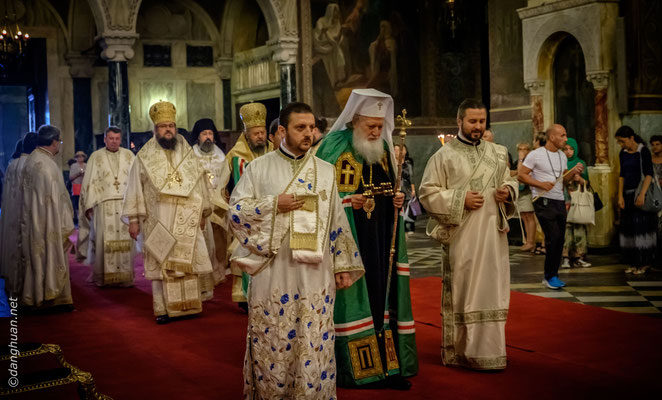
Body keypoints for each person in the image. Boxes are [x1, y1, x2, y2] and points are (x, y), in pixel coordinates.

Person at [229, 101, 364, 399]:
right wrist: (275, 205)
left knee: (313, 340)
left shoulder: (326, 171)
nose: (308, 133)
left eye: (311, 128)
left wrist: (342, 265)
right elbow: (236, 212)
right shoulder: (258, 168)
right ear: (281, 131)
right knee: (273, 340)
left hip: (316, 274)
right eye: (300, 127)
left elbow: (336, 221)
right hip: (274, 271)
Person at [316, 88, 418, 389]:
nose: (376, 131)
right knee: (357, 298)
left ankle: (388, 364)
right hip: (350, 238)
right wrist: (348, 201)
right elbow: (321, 195)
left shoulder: (385, 149)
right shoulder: (334, 145)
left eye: (379, 125)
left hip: (382, 236)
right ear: (354, 121)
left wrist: (397, 198)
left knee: (382, 296)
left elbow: (388, 188)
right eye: (370, 126)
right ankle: (357, 369)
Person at [419, 98, 518, 371]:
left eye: (482, 121)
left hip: (493, 237)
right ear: (459, 121)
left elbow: (510, 180)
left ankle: (493, 351)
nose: (477, 126)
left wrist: (508, 192)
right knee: (466, 292)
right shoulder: (443, 156)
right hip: (462, 238)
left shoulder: (498, 153)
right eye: (472, 121)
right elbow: (427, 193)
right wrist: (460, 199)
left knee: (492, 291)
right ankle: (462, 351)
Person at [122, 101, 213, 324]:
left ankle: (190, 306)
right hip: (158, 218)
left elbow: (200, 185)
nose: (168, 130)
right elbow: (134, 188)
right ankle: (163, 309)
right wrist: (134, 220)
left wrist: (203, 213)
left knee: (188, 263)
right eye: (163, 126)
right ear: (155, 130)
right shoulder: (144, 156)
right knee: (162, 264)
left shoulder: (188, 153)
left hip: (187, 218)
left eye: (171, 125)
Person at [519, 124, 585, 289]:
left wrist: (574, 171)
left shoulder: (562, 156)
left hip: (559, 200)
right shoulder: (535, 155)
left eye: (565, 135)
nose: (565, 139)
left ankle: (553, 275)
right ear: (552, 137)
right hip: (542, 200)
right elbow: (521, 175)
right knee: (553, 237)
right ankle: (549, 276)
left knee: (560, 238)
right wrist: (540, 184)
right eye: (562, 135)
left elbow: (564, 180)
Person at [21, 125, 75, 310]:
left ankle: (37, 293)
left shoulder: (33, 159)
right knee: (48, 257)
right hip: (48, 222)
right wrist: (65, 222)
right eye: (59, 141)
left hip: (34, 220)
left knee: (36, 259)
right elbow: (56, 199)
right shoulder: (47, 165)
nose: (59, 144)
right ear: (54, 142)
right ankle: (51, 295)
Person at [226, 102, 273, 308]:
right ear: (246, 134)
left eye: (262, 132)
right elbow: (228, 186)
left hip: (270, 211)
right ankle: (245, 296)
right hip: (247, 214)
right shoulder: (236, 156)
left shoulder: (274, 152)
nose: (260, 137)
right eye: (256, 133)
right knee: (247, 250)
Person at [80, 126, 136, 287]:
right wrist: (89, 204)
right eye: (111, 138)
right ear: (105, 139)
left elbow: (135, 180)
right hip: (104, 205)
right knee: (104, 241)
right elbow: (89, 183)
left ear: (121, 139)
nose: (114, 141)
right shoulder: (95, 157)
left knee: (126, 241)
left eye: (117, 139)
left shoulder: (129, 155)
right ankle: (105, 277)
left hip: (125, 204)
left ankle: (125, 277)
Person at [191, 118, 232, 299]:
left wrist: (221, 199)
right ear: (198, 137)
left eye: (210, 134)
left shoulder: (221, 156)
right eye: (204, 134)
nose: (208, 137)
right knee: (204, 243)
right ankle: (204, 278)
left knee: (219, 240)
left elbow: (225, 180)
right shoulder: (191, 155)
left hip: (218, 204)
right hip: (200, 206)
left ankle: (218, 273)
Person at [0, 133, 37, 298]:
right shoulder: (32, 165)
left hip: (12, 213)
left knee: (15, 249)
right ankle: (28, 286)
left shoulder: (12, 164)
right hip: (27, 214)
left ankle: (14, 282)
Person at [616, 126, 657, 275]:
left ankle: (644, 262)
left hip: (640, 193)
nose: (622, 144)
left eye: (623, 141)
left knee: (642, 228)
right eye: (619, 142)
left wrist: (642, 194)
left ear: (631, 138)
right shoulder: (623, 153)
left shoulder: (643, 151)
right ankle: (633, 262)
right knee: (629, 229)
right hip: (627, 194)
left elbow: (648, 174)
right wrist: (620, 195)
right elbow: (622, 175)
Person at [561, 138, 591, 269]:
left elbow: (587, 183)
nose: (568, 152)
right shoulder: (561, 162)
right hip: (564, 199)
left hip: (578, 200)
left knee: (579, 227)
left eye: (571, 149)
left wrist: (580, 179)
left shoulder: (580, 163)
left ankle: (579, 256)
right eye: (565, 149)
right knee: (566, 228)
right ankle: (566, 257)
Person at [515, 142, 537, 252]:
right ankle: (527, 240)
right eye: (520, 149)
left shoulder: (529, 161)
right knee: (524, 216)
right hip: (520, 193)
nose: (522, 151)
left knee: (529, 216)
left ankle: (531, 242)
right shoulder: (518, 161)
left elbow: (520, 174)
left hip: (528, 191)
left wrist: (521, 159)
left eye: (525, 149)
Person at [394, 143, 416, 234]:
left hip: (406, 187)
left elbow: (411, 178)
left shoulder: (408, 163)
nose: (398, 152)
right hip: (396, 187)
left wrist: (413, 190)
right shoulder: (391, 162)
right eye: (396, 150)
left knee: (410, 208)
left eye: (399, 150)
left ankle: (409, 226)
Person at [650, 135, 662, 270]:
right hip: (654, 195)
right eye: (653, 144)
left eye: (657, 144)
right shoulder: (650, 160)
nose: (655, 147)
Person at [69, 150, 87, 225]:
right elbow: (70, 178)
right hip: (76, 187)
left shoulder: (86, 165)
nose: (80, 157)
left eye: (82, 156)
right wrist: (78, 174)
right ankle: (79, 221)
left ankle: (85, 220)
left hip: (85, 187)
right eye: (78, 156)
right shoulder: (74, 166)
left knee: (85, 204)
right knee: (77, 205)